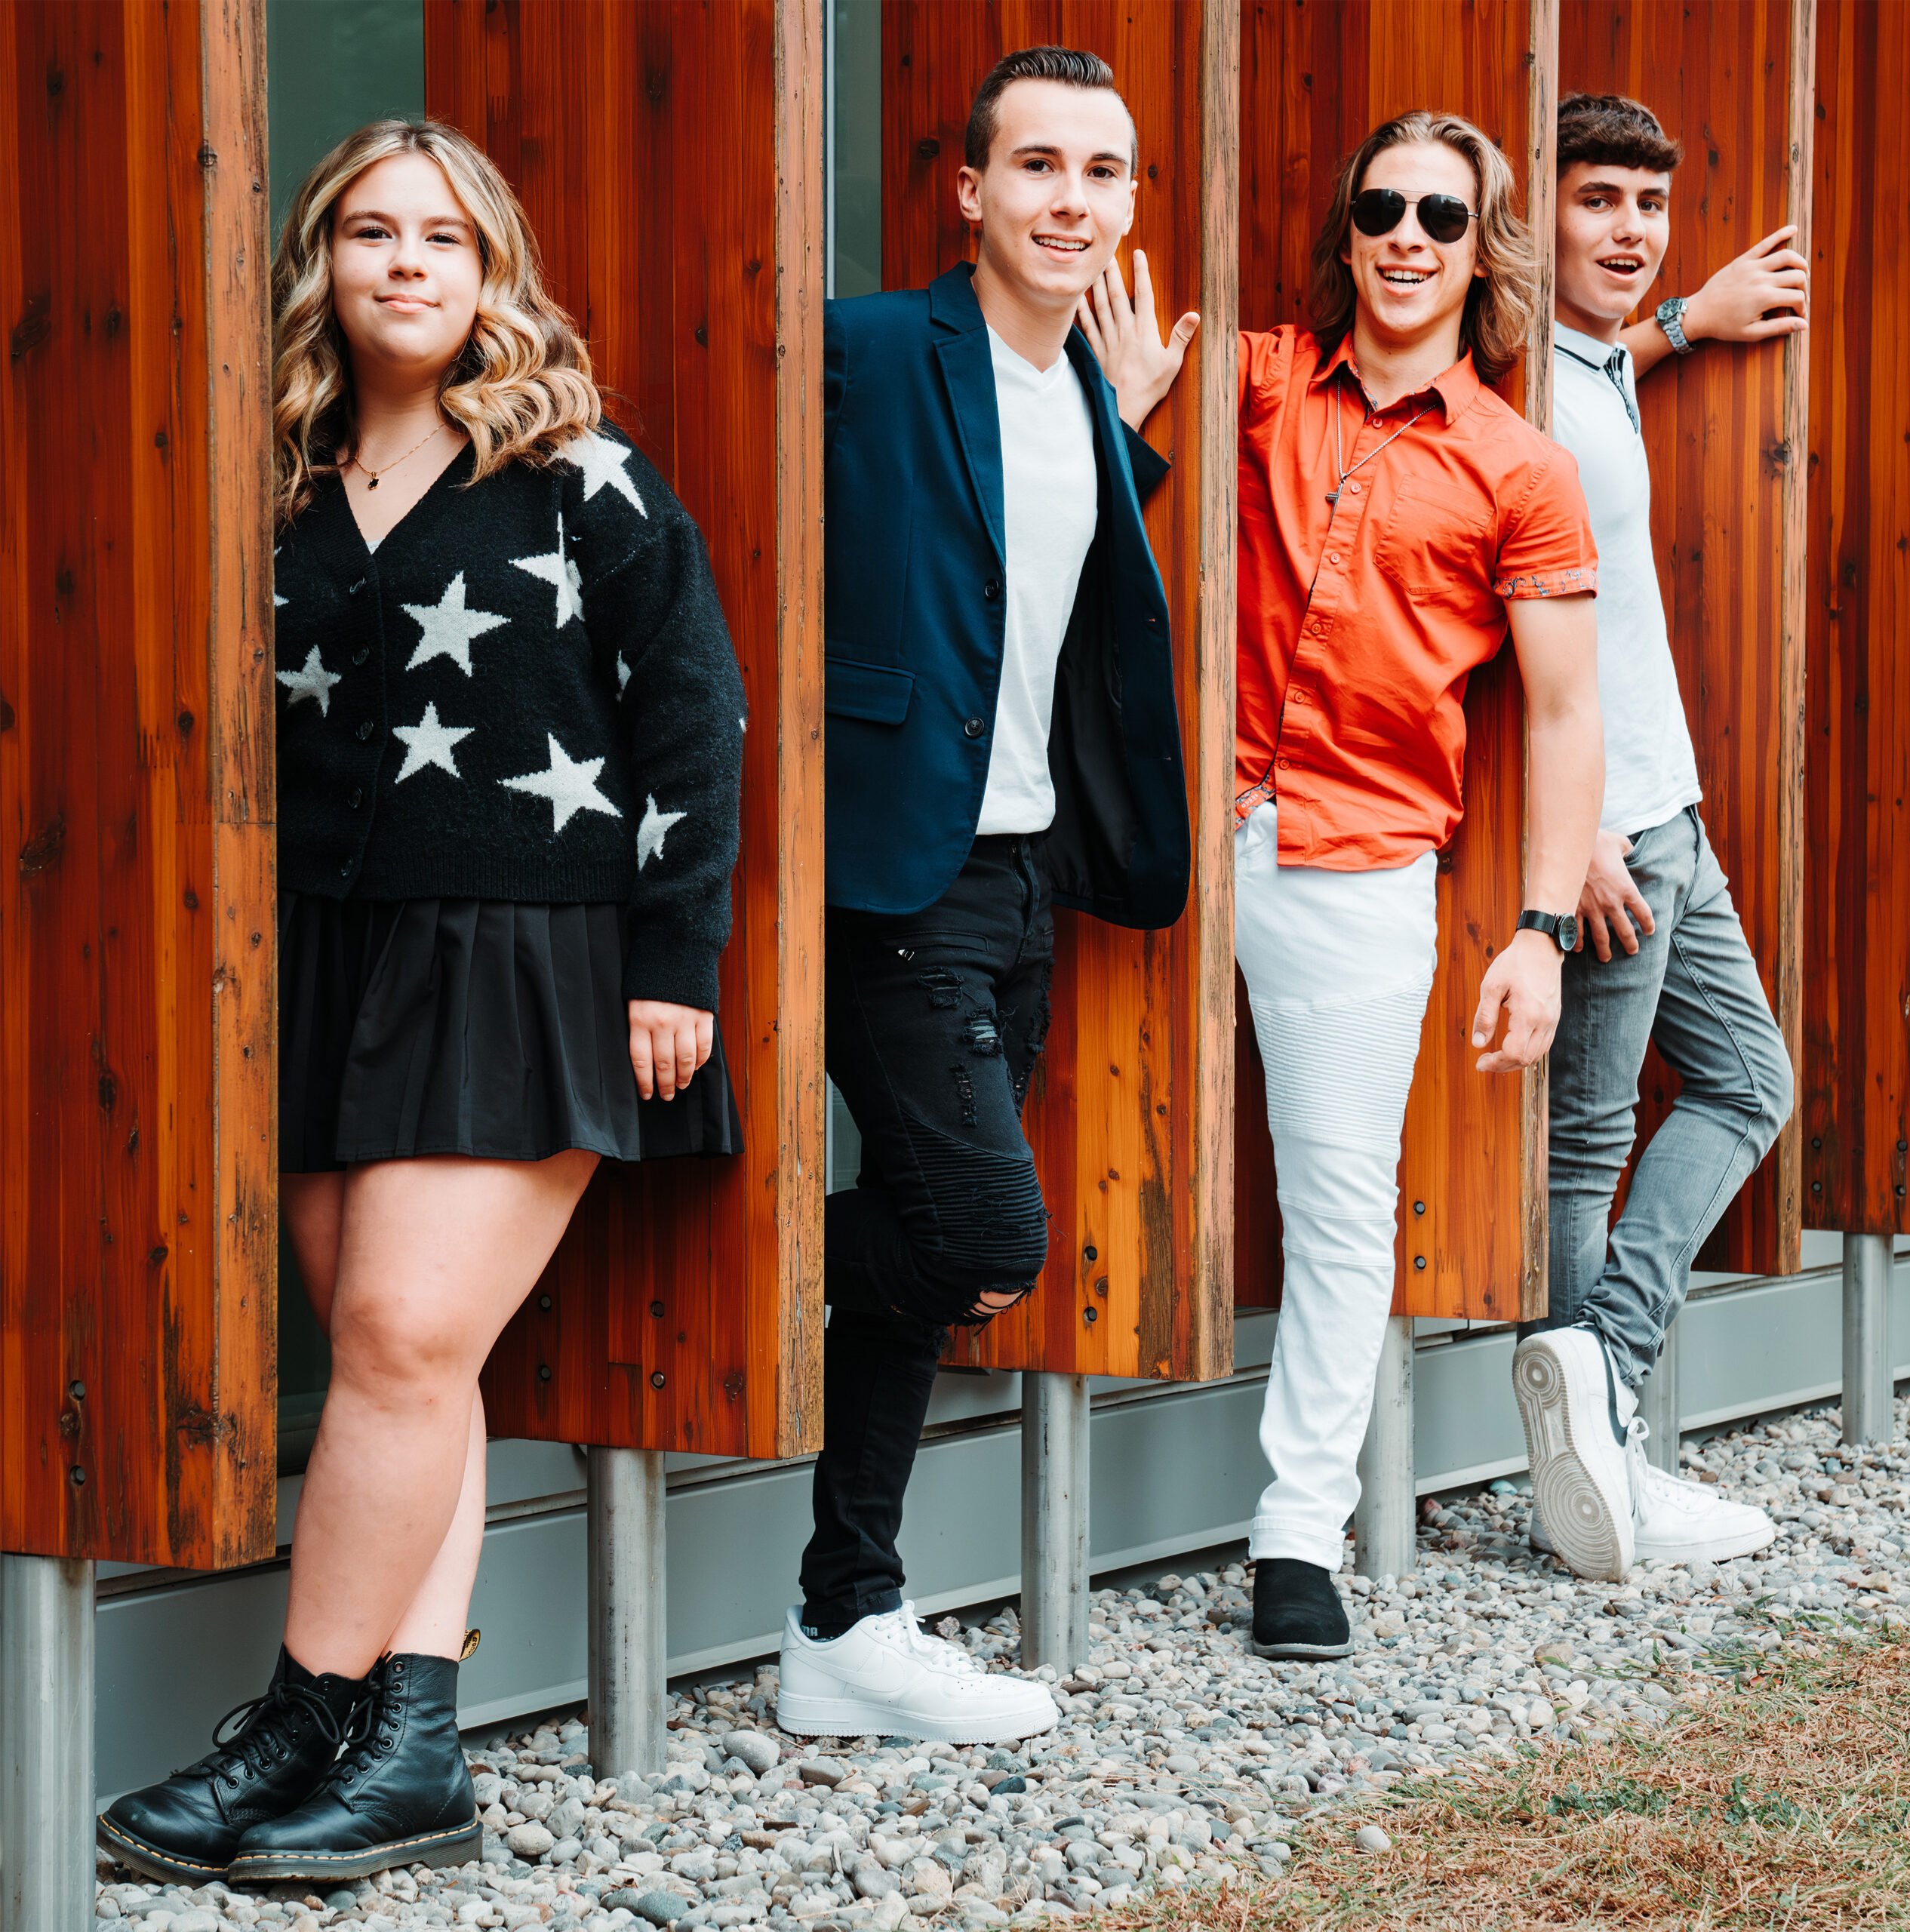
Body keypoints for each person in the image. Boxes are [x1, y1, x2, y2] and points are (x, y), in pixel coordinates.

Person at [98, 120, 745, 1886]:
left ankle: (293, 1718)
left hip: (527, 948)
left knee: (393, 1337)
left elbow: (694, 712)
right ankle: (413, 1751)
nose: (406, 261)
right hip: (326, 953)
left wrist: (676, 958)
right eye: (372, 231)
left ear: (489, 271)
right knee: (410, 1362)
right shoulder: (273, 472)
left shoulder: (575, 469)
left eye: (443, 237)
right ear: (321, 260)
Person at [777, 46, 1198, 1741]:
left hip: (1022, 871)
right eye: (1036, 166)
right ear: (968, 189)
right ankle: (708, 1267)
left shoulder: (1088, 397)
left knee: (927, 1254)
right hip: (894, 867)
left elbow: (1019, 572)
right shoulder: (867, 347)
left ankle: (844, 1619)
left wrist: (1131, 429)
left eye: (1102, 173)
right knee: (977, 1233)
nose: (1069, 202)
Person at [1236, 112, 1604, 1659]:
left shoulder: (1521, 465)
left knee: (1336, 1205)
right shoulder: (1256, 379)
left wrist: (1538, 928)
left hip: (1359, 860)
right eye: (1382, 208)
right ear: (1347, 232)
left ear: (1481, 251)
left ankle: (1294, 1532)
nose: (1407, 237)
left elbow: (1565, 713)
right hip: (1176, 842)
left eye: (1441, 217)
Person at [1512, 92, 1802, 1581]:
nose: (1630, 230)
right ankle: (1598, 1444)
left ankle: (1597, 1400)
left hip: (1670, 813)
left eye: (1647, 203)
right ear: (1536, 216)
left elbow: (1608, 350)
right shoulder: (1519, 392)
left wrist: (1686, 318)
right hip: (1609, 833)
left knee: (1748, 1080)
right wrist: (1566, 837)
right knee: (1588, 1143)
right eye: (1597, 200)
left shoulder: (1589, 363)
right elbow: (1488, 638)